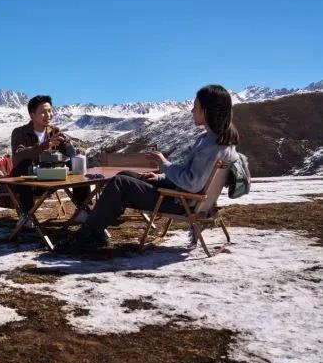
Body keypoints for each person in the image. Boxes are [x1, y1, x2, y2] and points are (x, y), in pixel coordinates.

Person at [68, 84, 240, 249]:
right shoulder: (214, 140)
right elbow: (192, 177)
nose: (192, 110)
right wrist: (160, 177)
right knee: (126, 175)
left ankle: (88, 236)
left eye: (196, 106)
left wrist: (163, 164)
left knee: (120, 183)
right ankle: (96, 230)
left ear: (207, 110)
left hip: (180, 202)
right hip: (183, 197)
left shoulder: (211, 146)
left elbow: (192, 183)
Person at [9, 95, 91, 230]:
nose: (48, 115)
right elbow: (19, 155)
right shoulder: (20, 133)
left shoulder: (54, 131)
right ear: (32, 115)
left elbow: (71, 153)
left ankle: (83, 209)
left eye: (50, 111)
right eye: (43, 112)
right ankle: (26, 214)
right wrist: (44, 146)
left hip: (51, 175)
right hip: (29, 179)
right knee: (24, 165)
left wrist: (72, 148)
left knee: (75, 164)